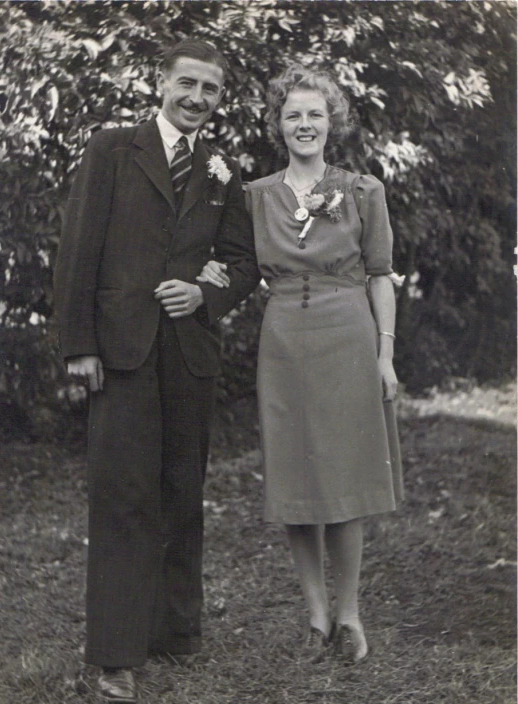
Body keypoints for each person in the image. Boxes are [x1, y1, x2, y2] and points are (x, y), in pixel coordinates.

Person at [54, 39, 259, 704]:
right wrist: (77, 344)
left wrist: (206, 294)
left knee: (181, 491)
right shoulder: (113, 148)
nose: (197, 98)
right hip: (120, 351)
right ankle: (115, 655)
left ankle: (175, 630)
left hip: (189, 355)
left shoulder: (220, 171)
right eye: (188, 84)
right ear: (161, 82)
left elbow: (240, 261)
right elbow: (79, 248)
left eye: (211, 90)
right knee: (122, 496)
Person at [198, 64, 403, 665]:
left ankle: (350, 614)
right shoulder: (255, 197)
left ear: (331, 121)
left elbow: (380, 276)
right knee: (294, 474)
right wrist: (210, 274)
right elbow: (233, 264)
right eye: (293, 115)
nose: (305, 124)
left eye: (315, 114)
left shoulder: (363, 189)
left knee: (344, 476)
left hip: (348, 335)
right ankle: (315, 615)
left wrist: (385, 355)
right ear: (278, 125)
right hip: (284, 338)